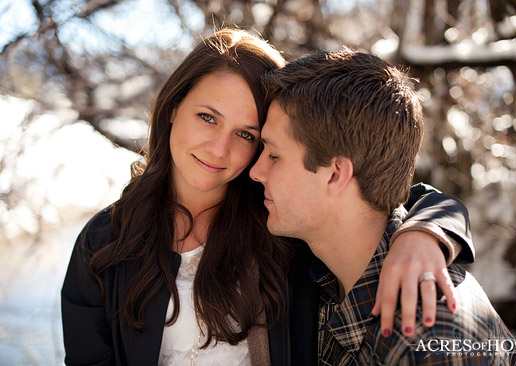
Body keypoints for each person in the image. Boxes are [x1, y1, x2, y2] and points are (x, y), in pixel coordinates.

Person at [61, 29, 473, 366]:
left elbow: (385, 196)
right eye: (207, 117)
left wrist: (427, 232)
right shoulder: (105, 242)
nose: (218, 150)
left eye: (246, 135)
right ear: (173, 106)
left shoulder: (282, 220)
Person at [250, 49, 516, 365]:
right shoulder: (324, 283)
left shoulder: (437, 341)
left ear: (336, 174)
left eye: (274, 156)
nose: (255, 171)